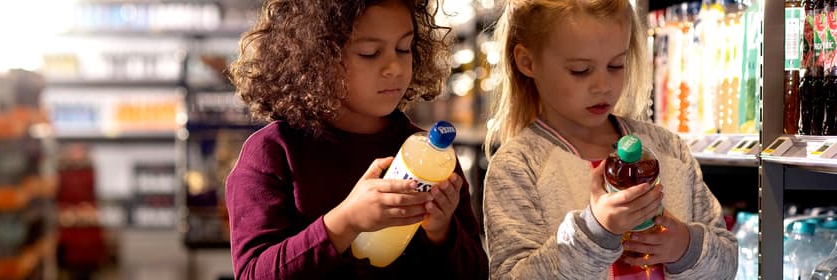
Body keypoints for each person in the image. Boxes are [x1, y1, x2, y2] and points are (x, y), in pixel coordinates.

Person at [224, 0, 488, 279]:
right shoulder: (272, 153)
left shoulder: (427, 156)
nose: (395, 68)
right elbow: (253, 274)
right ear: (319, 58)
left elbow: (476, 272)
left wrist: (443, 232)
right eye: (370, 52)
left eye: (403, 48)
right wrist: (345, 222)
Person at [482, 0, 738, 279]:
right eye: (580, 70)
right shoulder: (518, 166)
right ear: (527, 62)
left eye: (616, 65)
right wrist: (594, 232)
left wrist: (686, 247)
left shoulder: (668, 150)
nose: (603, 86)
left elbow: (726, 261)